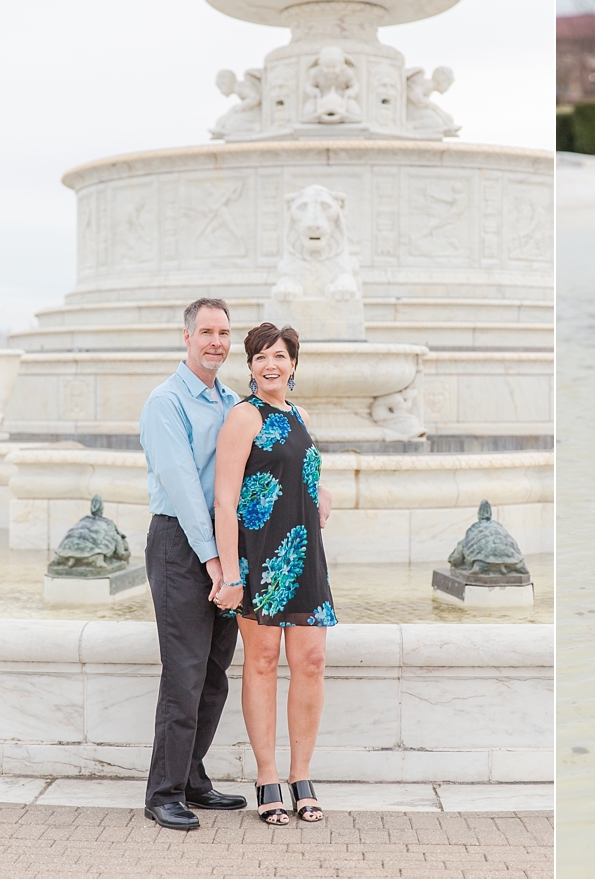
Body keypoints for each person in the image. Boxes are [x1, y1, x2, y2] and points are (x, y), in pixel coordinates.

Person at [212, 322, 336, 826]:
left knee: (311, 661)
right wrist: (230, 575)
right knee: (261, 662)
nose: (271, 365)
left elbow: (302, 472)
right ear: (249, 367)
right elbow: (224, 498)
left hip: (304, 555)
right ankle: (267, 777)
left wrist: (321, 492)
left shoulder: (301, 414)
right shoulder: (244, 417)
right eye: (261, 357)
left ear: (293, 364)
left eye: (279, 356)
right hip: (257, 557)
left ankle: (301, 775)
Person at [138, 298, 247, 831]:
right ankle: (163, 792)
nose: (216, 342)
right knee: (182, 672)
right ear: (186, 337)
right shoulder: (166, 402)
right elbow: (182, 487)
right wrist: (213, 561)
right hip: (181, 544)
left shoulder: (230, 401)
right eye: (206, 331)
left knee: (213, 671)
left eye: (224, 333)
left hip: (222, 544)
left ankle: (193, 777)